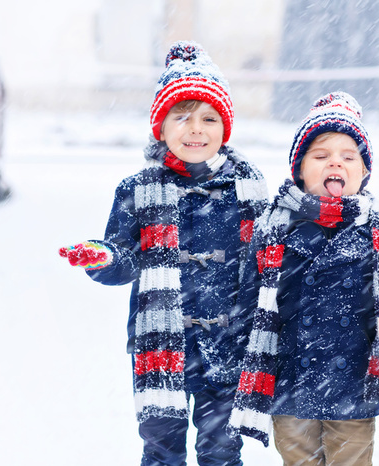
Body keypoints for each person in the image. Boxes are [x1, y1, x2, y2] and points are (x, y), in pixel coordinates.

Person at [59, 41, 268, 466]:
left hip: (229, 344)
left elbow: (267, 262)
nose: (196, 129)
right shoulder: (137, 190)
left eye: (209, 119)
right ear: (161, 128)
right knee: (161, 448)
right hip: (161, 345)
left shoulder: (249, 190)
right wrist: (104, 258)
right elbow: (125, 256)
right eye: (182, 117)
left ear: (224, 130)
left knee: (222, 449)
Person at [227, 92, 379, 465]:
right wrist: (242, 374)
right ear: (299, 170)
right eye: (321, 156)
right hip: (291, 386)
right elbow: (250, 306)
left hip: (353, 390)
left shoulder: (376, 233)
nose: (336, 163)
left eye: (349, 157)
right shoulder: (275, 226)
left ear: (364, 173)